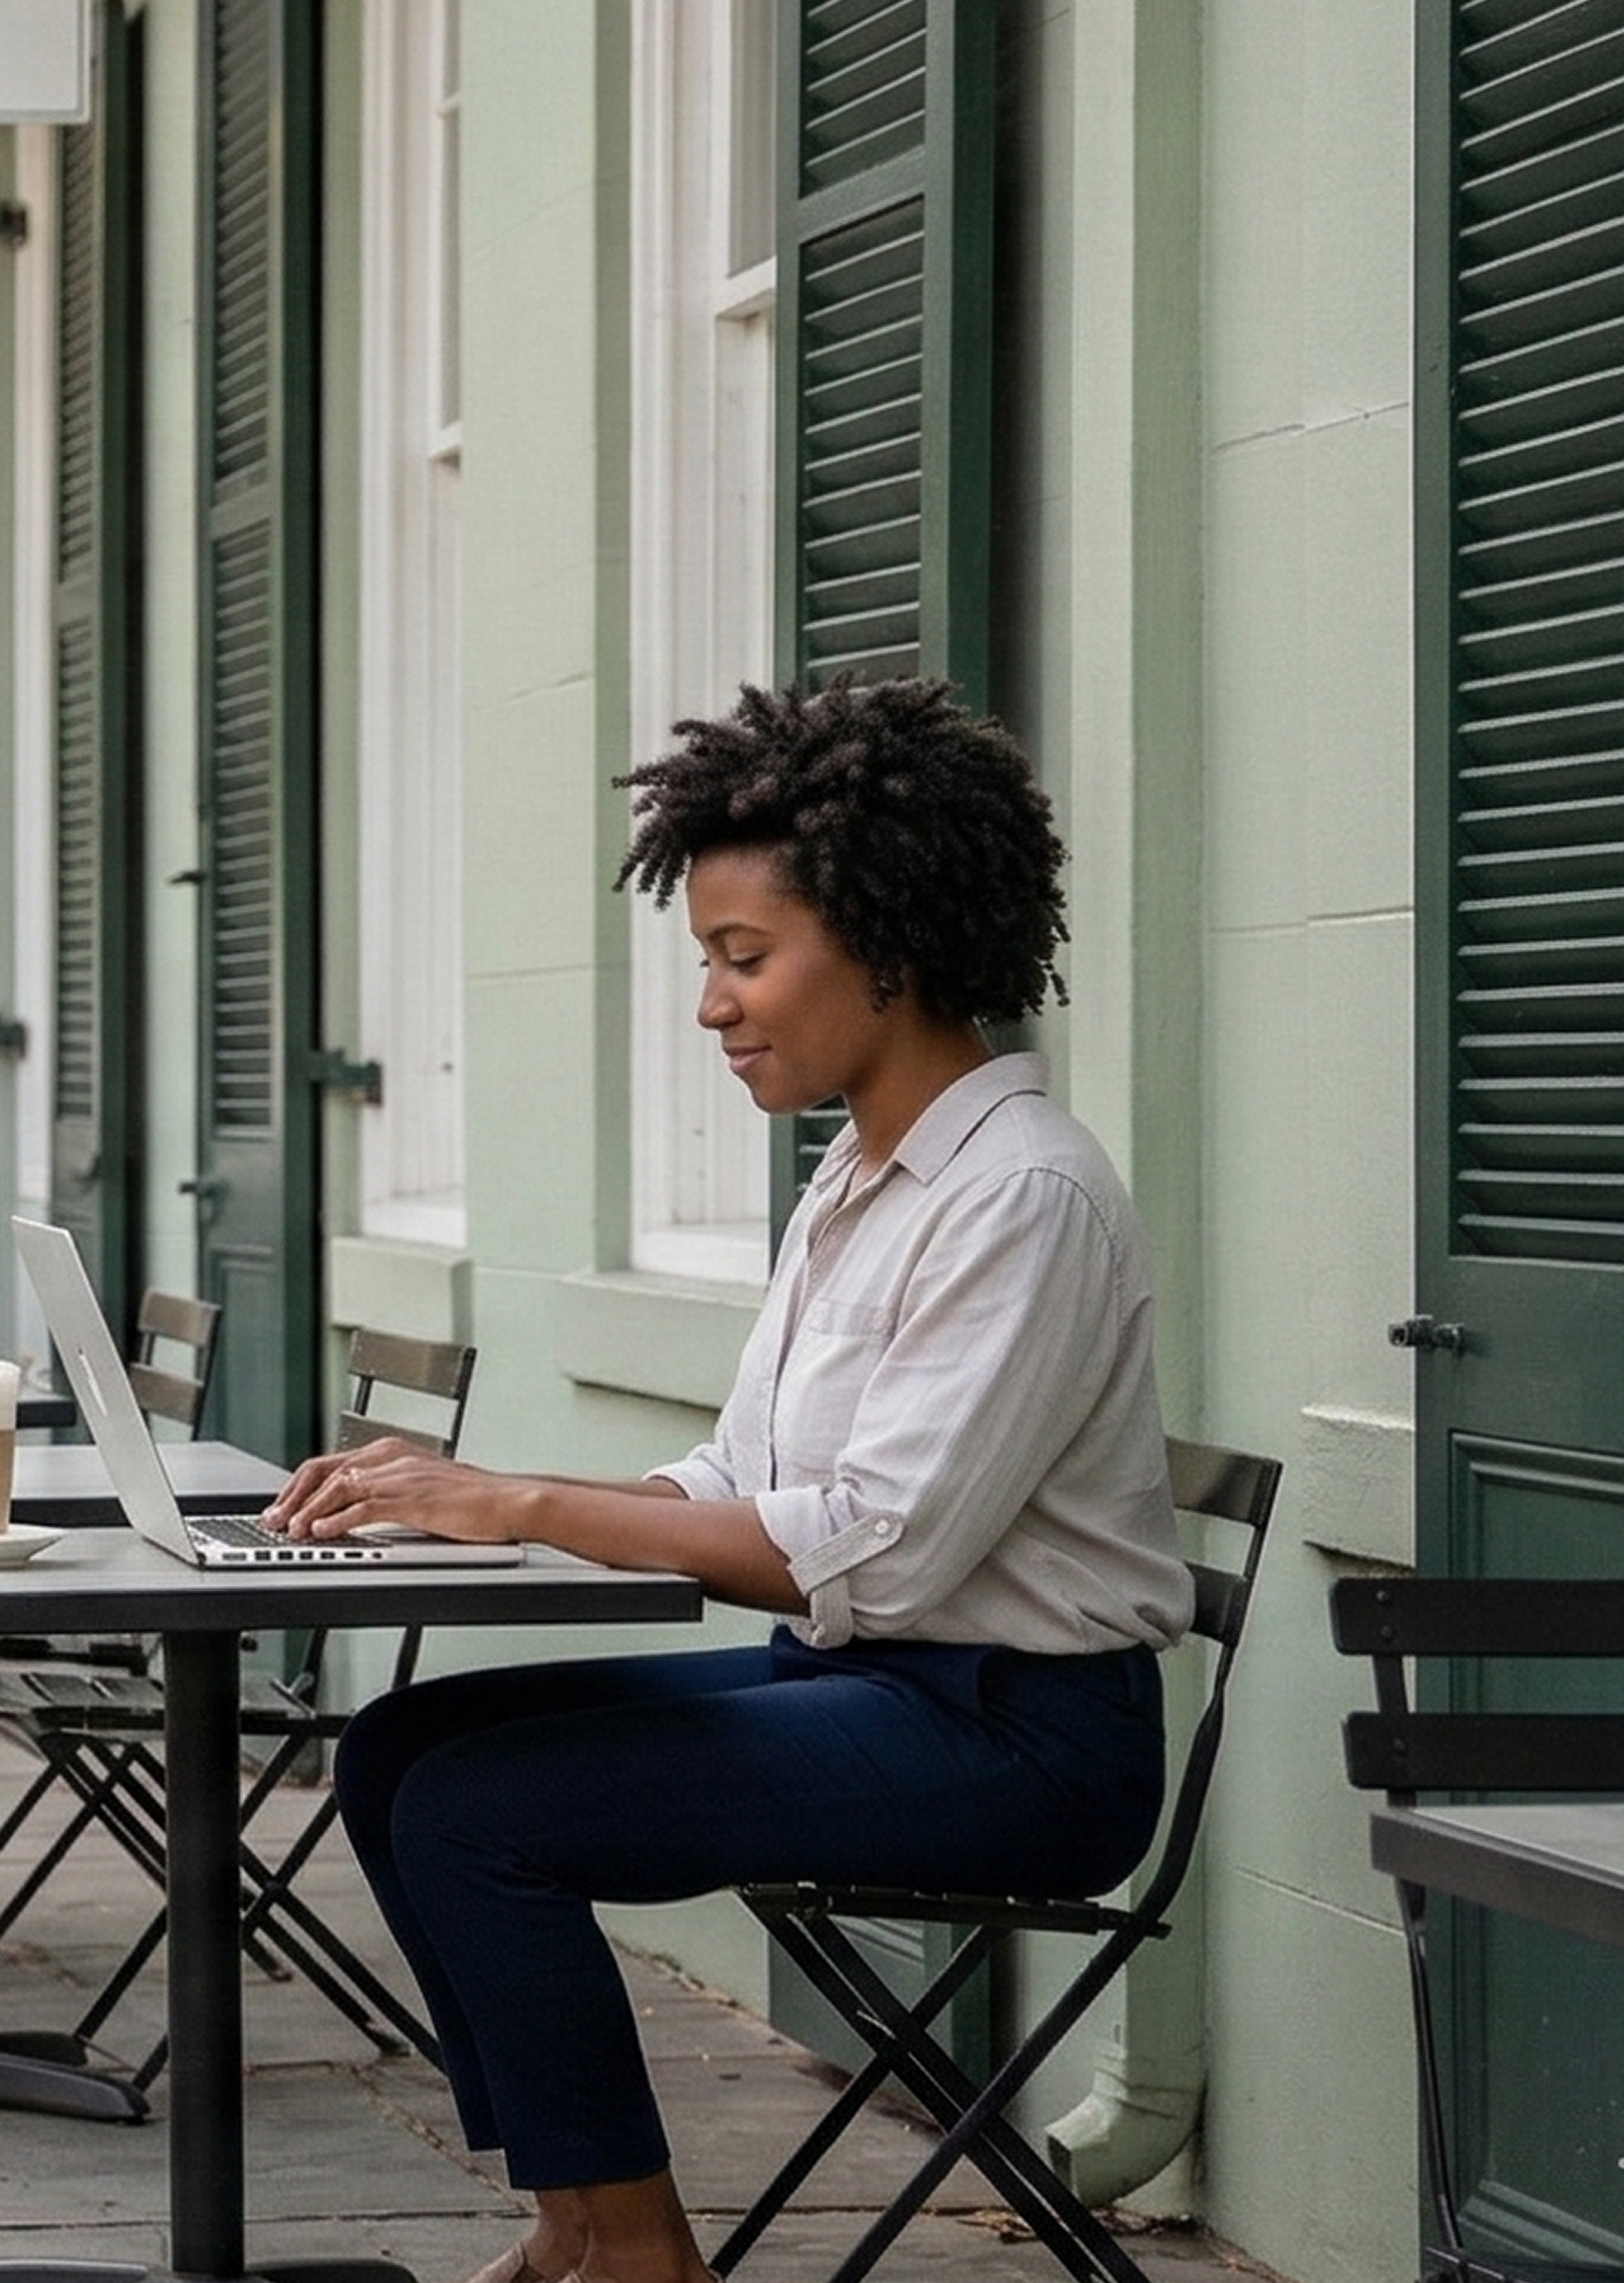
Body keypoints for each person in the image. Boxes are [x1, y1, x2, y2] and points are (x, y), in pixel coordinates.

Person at [257, 675, 1190, 2283]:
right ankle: (573, 2225)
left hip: (1024, 1733)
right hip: (879, 1685)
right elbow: (735, 1473)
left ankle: (635, 2254)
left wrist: (524, 1506)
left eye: (744, 958)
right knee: (400, 1746)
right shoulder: (855, 1177)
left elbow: (868, 1552)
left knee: (483, 1812)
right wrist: (463, 1494)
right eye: (710, 959)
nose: (713, 1004)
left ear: (890, 947)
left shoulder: (1022, 1199)